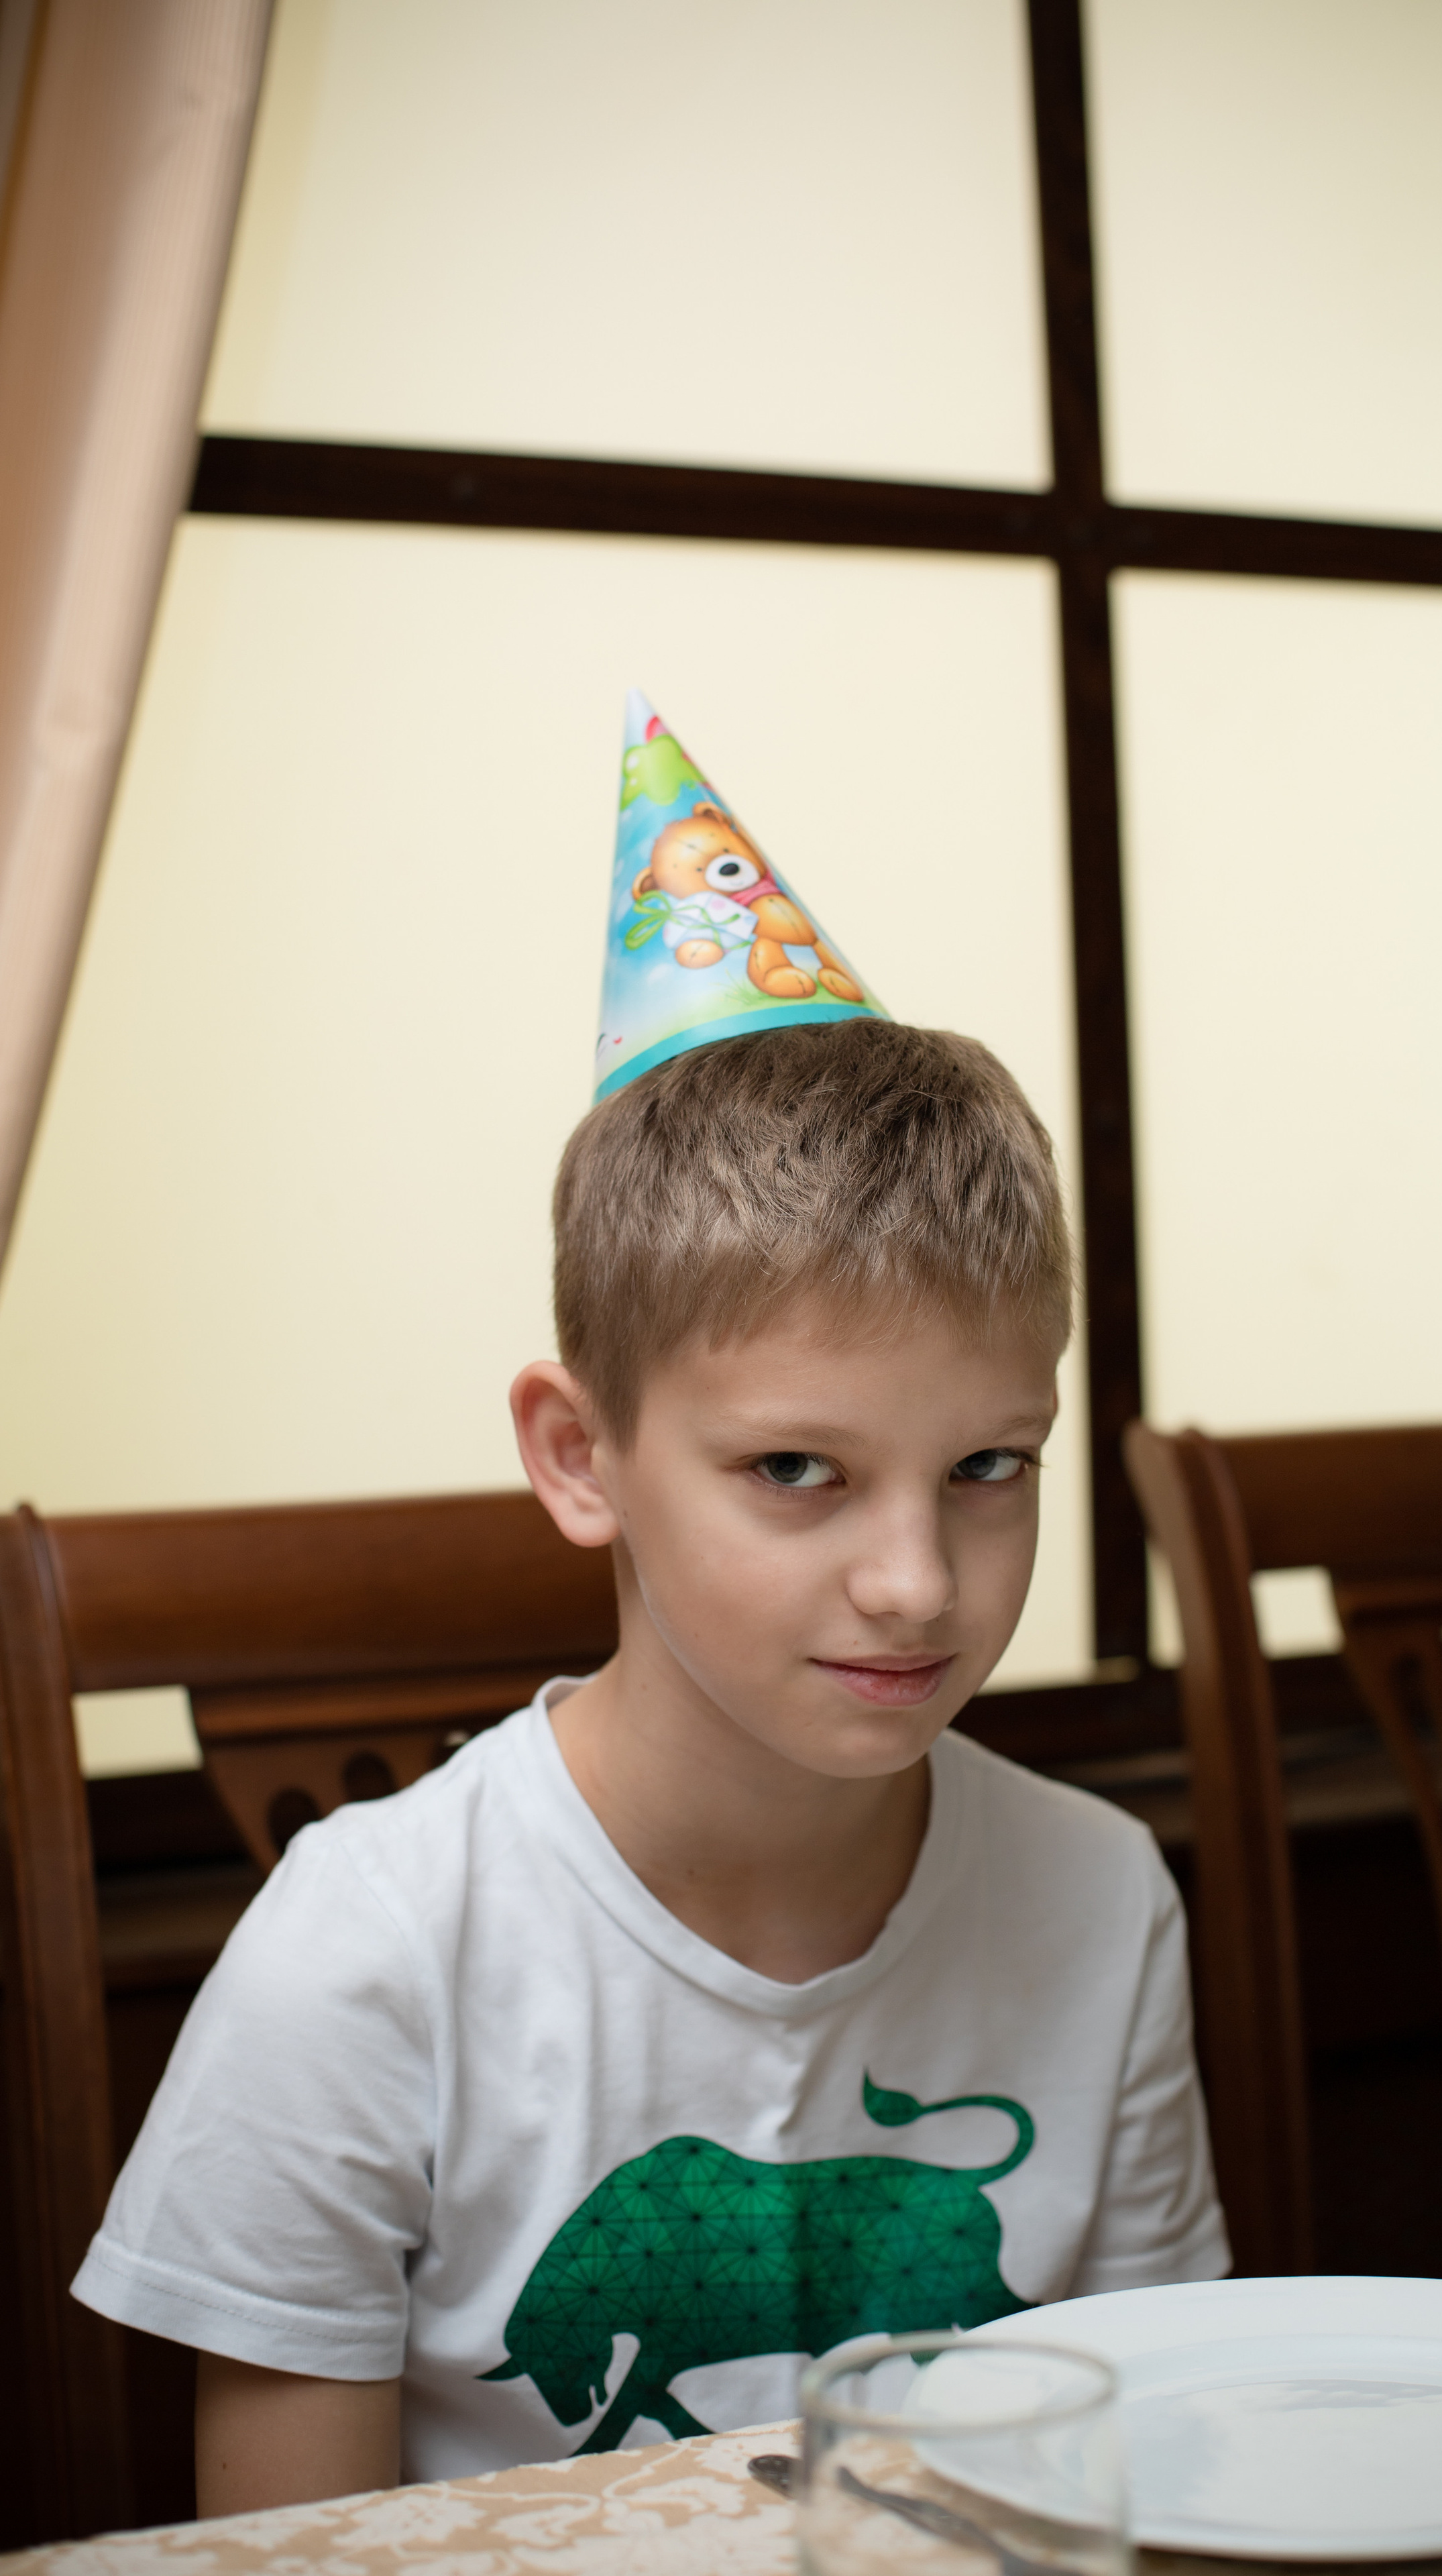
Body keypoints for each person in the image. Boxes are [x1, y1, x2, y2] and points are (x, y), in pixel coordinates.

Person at [74, 703, 1228, 2515]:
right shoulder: (364, 1961)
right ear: (580, 1453)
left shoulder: (1096, 1898)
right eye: (796, 1472)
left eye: (992, 1466)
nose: (919, 1582)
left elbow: (1166, 2465)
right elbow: (290, 2564)